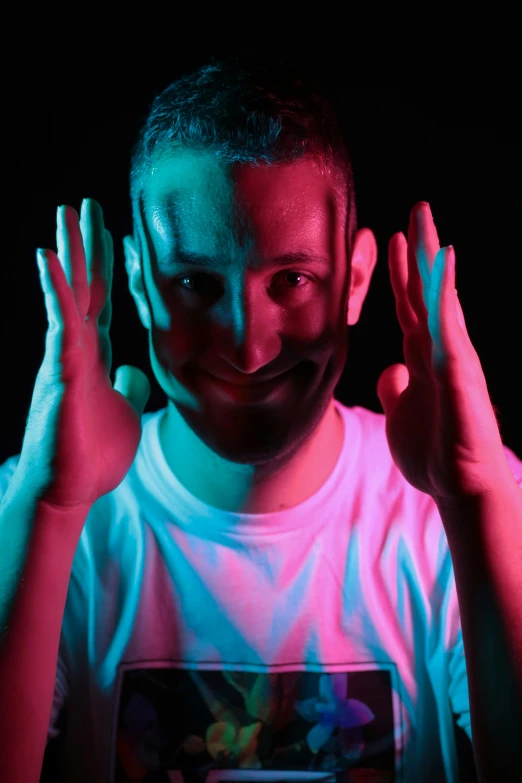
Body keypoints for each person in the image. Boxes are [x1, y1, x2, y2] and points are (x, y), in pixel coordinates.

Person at [1, 55, 521, 783]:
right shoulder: (38, 511)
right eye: (195, 282)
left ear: (356, 279)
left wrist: (476, 506)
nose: (247, 344)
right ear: (141, 285)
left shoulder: (467, 509)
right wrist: (49, 510)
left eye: (292, 279)